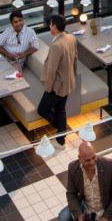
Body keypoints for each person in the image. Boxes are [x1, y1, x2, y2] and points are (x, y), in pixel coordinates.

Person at [38, 13, 77, 145]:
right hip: (68, 82)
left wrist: (48, 89)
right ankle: (61, 137)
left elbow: (52, 70)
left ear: (54, 25)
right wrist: (73, 75)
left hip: (57, 86)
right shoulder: (71, 37)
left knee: (42, 109)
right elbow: (75, 59)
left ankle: (61, 128)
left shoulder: (56, 45)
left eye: (50, 24)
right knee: (61, 109)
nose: (50, 27)